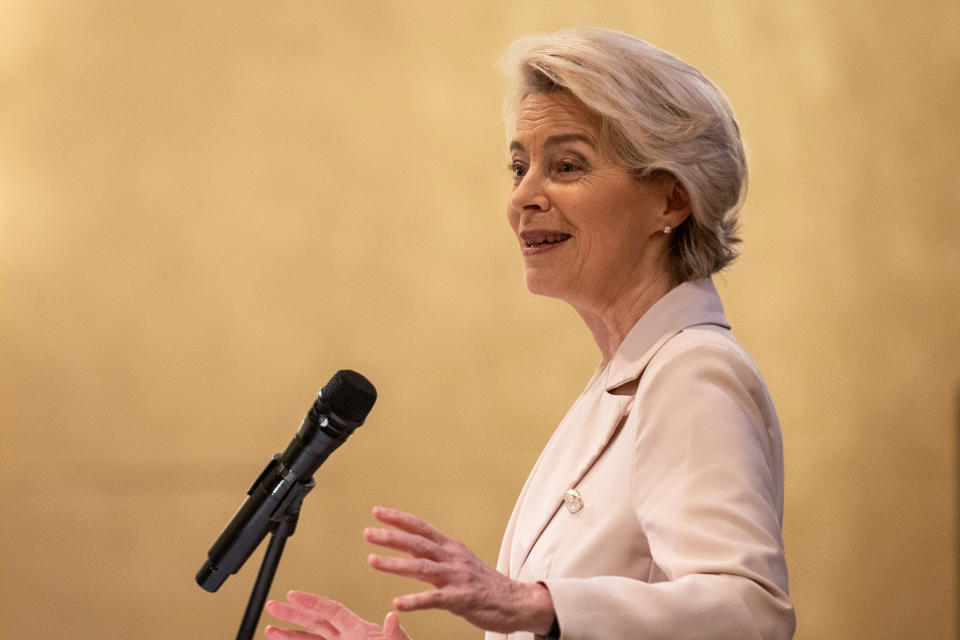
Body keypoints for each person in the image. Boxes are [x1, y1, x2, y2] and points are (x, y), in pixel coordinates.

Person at [264, 27, 795, 640]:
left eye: (566, 166)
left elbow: (748, 614)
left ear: (671, 200)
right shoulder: (617, 385)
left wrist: (539, 605)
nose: (523, 196)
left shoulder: (692, 371)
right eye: (519, 167)